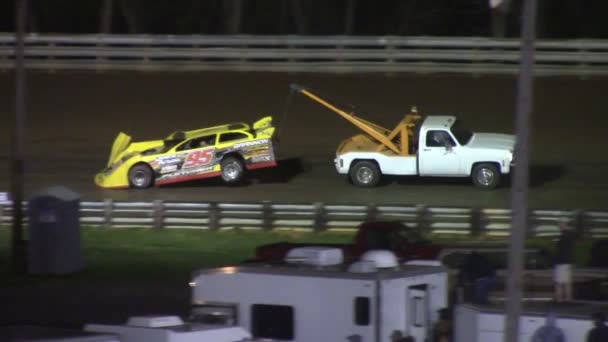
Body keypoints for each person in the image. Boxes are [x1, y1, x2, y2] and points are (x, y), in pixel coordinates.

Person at [554, 217, 576, 302]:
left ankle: (560, 300)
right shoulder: (570, 235)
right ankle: (568, 299)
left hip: (562, 262)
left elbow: (561, 250)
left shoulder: (564, 236)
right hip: (567, 262)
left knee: (559, 283)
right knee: (567, 283)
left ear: (564, 224)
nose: (559, 225)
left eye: (560, 223)